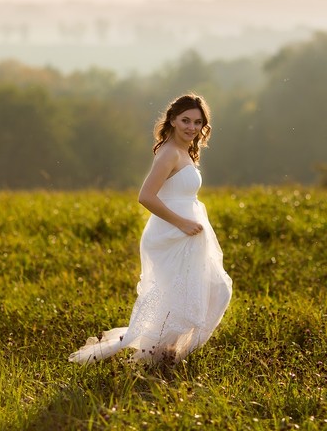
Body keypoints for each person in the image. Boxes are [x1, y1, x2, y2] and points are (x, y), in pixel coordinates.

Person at [69, 94, 233, 365]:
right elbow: (145, 196)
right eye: (186, 120)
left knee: (210, 291)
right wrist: (181, 223)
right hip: (170, 233)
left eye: (198, 122)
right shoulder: (169, 152)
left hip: (186, 234)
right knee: (178, 298)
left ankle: (166, 355)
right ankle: (158, 358)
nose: (192, 127)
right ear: (172, 120)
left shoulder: (184, 151)